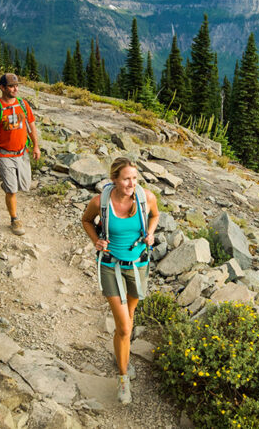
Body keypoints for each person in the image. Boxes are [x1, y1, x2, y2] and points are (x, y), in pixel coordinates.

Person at [80, 157, 159, 405]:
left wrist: (151, 233)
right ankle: (123, 378)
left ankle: (121, 354)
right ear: (115, 179)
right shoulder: (100, 202)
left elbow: (155, 216)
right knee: (124, 326)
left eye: (134, 178)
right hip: (110, 266)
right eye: (126, 178)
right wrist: (96, 240)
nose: (131, 183)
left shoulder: (146, 198)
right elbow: (85, 220)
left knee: (129, 320)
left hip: (138, 265)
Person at [0, 73, 40, 236]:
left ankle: (9, 185)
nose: (15, 89)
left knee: (25, 185)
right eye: (11, 86)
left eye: (16, 86)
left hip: (22, 153)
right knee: (12, 190)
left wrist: (36, 146)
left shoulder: (23, 104)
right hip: (4, 155)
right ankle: (14, 220)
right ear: (2, 88)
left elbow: (31, 125)